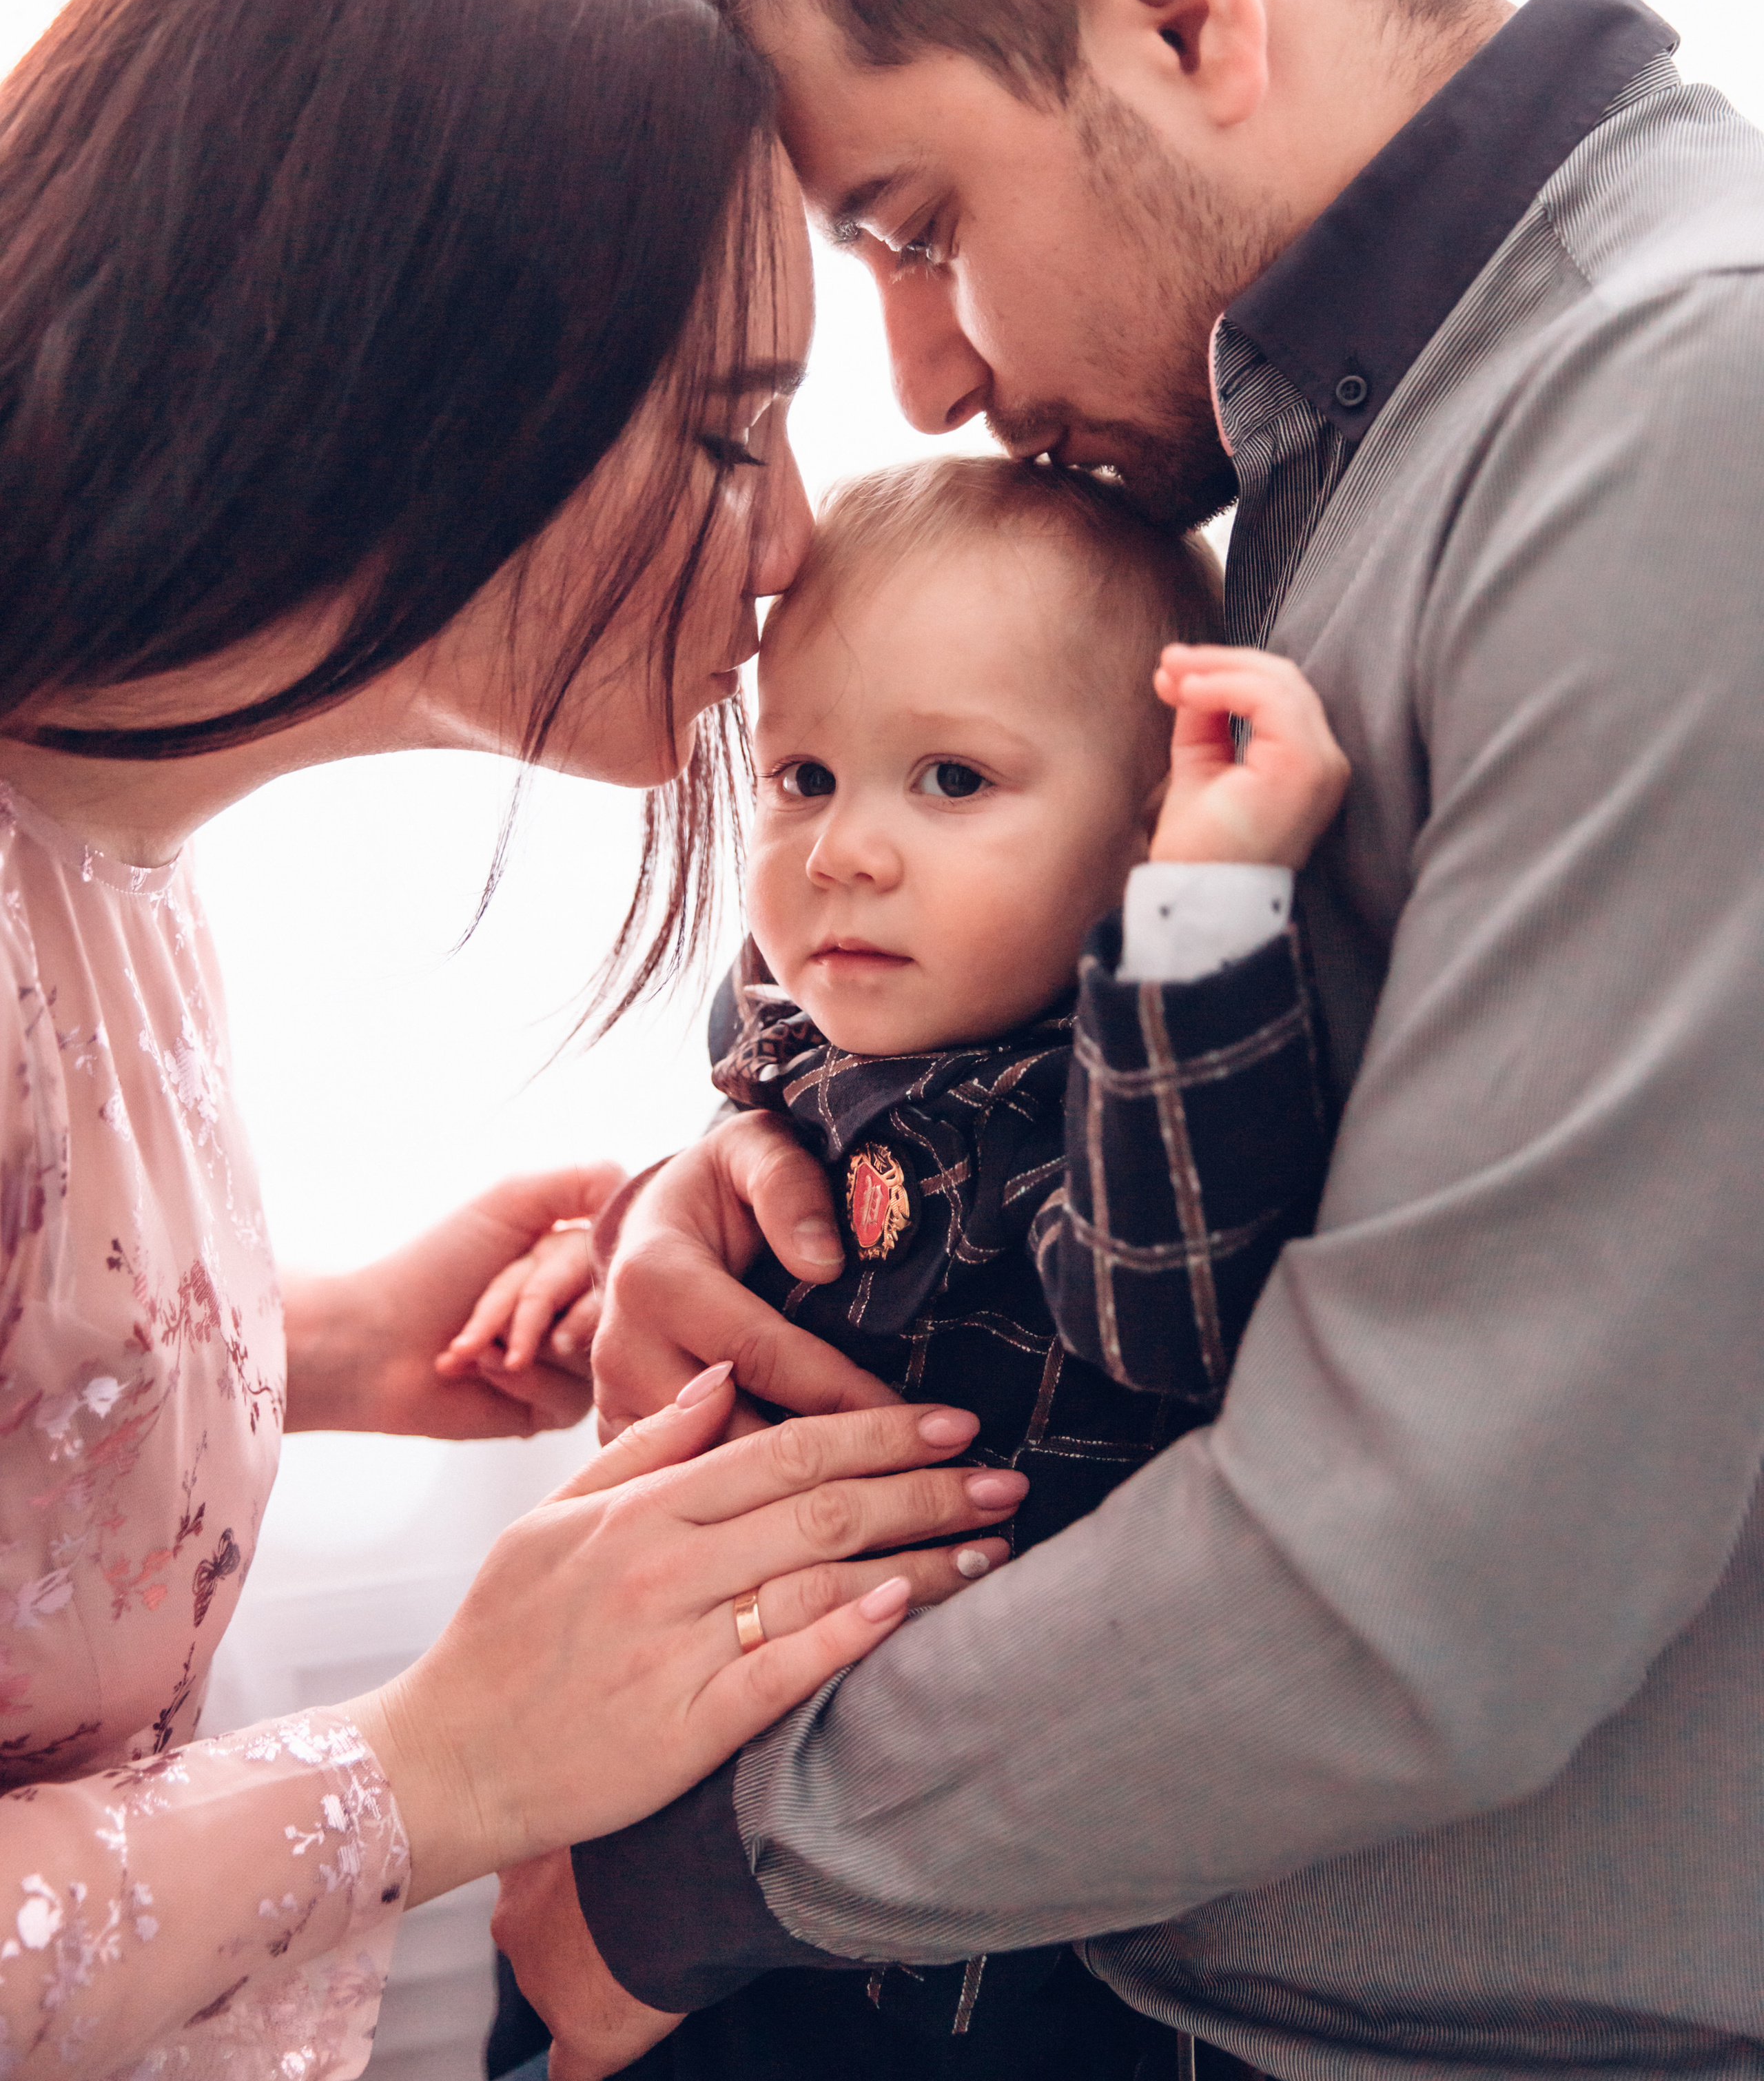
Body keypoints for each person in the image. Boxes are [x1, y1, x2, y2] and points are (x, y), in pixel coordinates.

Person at [498, 0, 1764, 2078]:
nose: (926, 378)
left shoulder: (1680, 418)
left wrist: (689, 1870)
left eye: (917, 229)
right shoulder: (1321, 449)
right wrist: (788, 1185)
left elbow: (1439, 1572)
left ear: (1178, 13)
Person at [0, 0, 1034, 2081]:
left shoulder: (101, 851)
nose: (792, 544)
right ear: (393, 380)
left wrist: (329, 1342)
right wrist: (443, 1764)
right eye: (727, 431)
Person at [459, 455, 1346, 2075]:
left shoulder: (1111, 1094)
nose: (842, 851)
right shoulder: (809, 1021)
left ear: (1149, 832)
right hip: (690, 1786)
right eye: (802, 775)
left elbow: (1166, 1304)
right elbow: (754, 1158)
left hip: (939, 1924)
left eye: (950, 779)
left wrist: (1207, 914)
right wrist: (615, 1248)